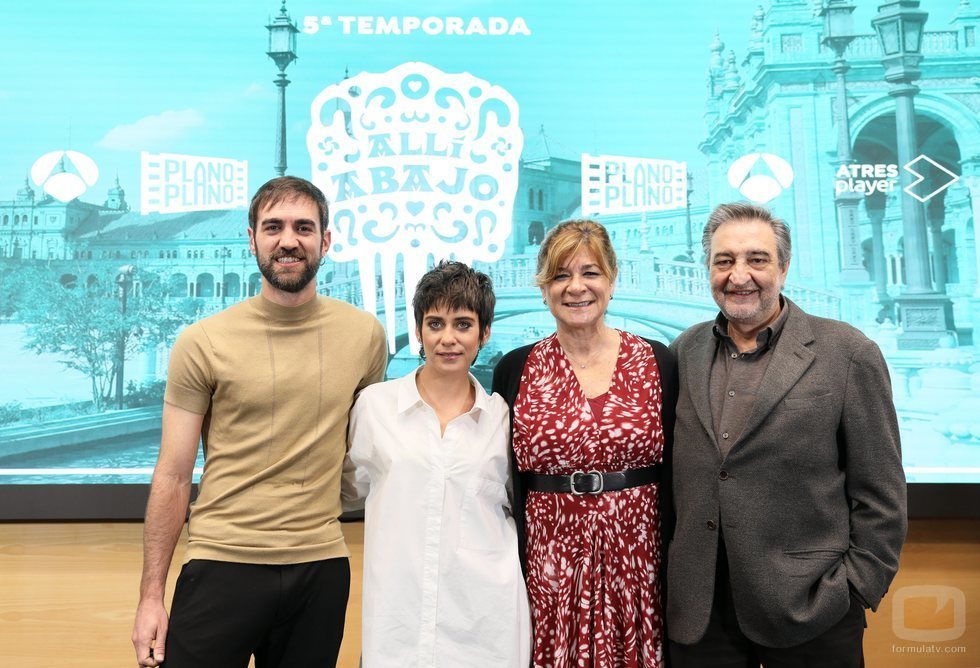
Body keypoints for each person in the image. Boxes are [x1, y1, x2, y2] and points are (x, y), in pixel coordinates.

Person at [131, 176, 388, 668]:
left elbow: (362, 451)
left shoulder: (366, 337)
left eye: (303, 227)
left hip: (321, 567)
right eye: (273, 227)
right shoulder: (202, 341)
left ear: (325, 240)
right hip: (220, 563)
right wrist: (149, 598)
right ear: (251, 238)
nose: (288, 240)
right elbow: (172, 474)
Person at [667, 202, 907, 667]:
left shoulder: (847, 353)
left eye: (757, 259)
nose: (739, 275)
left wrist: (854, 587)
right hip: (700, 616)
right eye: (724, 261)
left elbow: (882, 494)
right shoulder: (683, 351)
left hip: (811, 611)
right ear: (708, 269)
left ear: (784, 265)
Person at [492, 219, 677, 668]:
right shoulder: (515, 368)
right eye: (560, 275)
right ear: (543, 289)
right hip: (549, 566)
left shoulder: (657, 360)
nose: (576, 287)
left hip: (640, 562)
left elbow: (681, 468)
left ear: (611, 282)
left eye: (590, 273)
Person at [344, 260, 531, 667]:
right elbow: (348, 488)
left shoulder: (504, 417)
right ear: (418, 331)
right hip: (398, 625)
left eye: (463, 324)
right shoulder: (375, 408)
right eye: (435, 323)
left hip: (485, 624)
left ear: (484, 333)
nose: (448, 338)